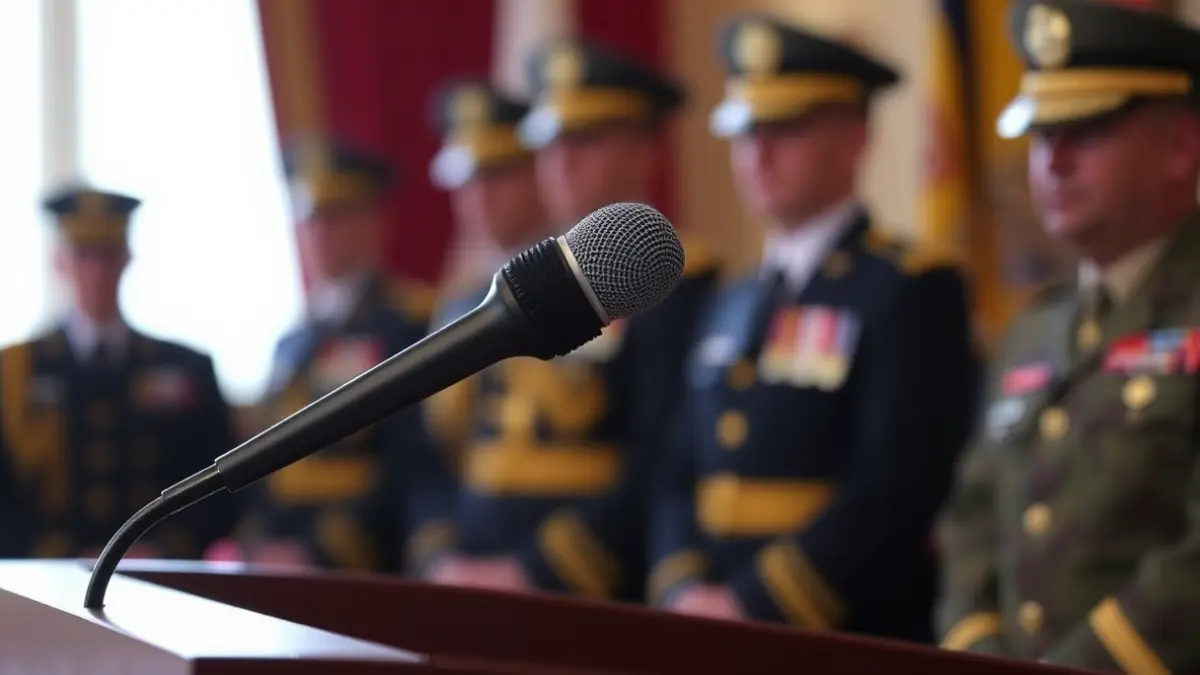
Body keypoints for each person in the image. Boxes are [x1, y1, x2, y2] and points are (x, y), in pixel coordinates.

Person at [648, 14, 975, 643]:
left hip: (835, 632)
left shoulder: (910, 286)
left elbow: (897, 489)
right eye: (746, 130)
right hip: (707, 624)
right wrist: (682, 587)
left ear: (855, 138)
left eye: (787, 127)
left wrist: (754, 605)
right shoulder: (730, 294)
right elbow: (677, 470)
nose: (759, 153)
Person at [938, 1, 1200, 669]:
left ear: (1181, 146)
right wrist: (977, 649)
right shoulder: (1032, 329)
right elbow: (970, 523)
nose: (1053, 160)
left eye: (1086, 130)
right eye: (1041, 132)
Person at [413, 43, 720, 602]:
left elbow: (657, 454)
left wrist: (540, 571)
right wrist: (442, 555)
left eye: (586, 140)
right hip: (475, 568)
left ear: (642, 149)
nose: (562, 161)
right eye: (550, 142)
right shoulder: (519, 283)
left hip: (590, 586)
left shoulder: (679, 284)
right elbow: (439, 449)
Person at [229, 138, 442, 572]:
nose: (319, 233)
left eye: (337, 216)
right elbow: (266, 470)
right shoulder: (292, 341)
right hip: (278, 559)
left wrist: (322, 551)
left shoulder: (410, 322)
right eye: (310, 219)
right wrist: (255, 544)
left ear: (372, 222)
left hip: (361, 562)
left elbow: (407, 463)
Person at [0, 185, 237, 559]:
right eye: (83, 255)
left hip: (160, 576)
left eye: (108, 254)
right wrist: (68, 556)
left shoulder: (186, 368)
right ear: (60, 261)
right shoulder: (11, 373)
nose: (97, 271)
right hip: (48, 582)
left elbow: (222, 488)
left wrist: (162, 549)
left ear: (127, 257)